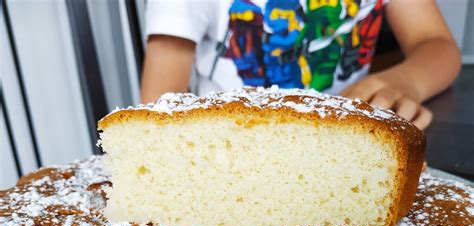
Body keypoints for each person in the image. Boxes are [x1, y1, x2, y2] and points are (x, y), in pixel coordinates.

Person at [141, 0, 461, 130]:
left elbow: (437, 44)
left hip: (344, 141)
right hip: (238, 151)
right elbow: (156, 110)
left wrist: (407, 81)